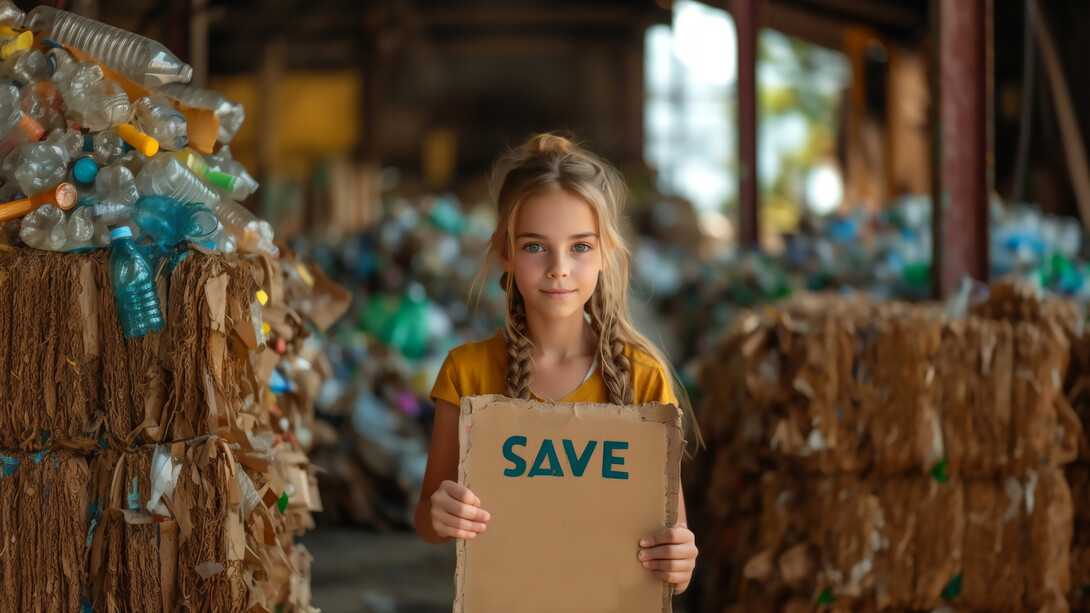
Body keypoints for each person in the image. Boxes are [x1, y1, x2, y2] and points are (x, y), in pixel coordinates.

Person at [414, 132, 699, 594]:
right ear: (504, 251)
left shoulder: (643, 376)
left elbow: (673, 543)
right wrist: (440, 514)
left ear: (607, 252)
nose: (558, 267)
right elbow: (428, 520)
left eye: (580, 246)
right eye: (534, 246)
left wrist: (680, 559)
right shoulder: (466, 372)